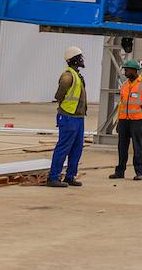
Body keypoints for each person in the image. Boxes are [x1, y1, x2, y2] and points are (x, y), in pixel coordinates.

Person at [109, 59, 142, 181]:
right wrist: (118, 121)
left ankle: (139, 172)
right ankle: (120, 172)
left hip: (137, 120)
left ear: (134, 70)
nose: (125, 72)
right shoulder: (124, 85)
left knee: (137, 147)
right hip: (124, 120)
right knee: (122, 147)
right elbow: (122, 104)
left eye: (127, 70)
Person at [47, 45, 87, 187]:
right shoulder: (68, 76)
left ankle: (70, 176)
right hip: (69, 116)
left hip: (78, 117)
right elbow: (59, 95)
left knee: (77, 148)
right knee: (63, 147)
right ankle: (53, 177)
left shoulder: (76, 75)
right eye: (80, 57)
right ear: (74, 60)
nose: (82, 60)